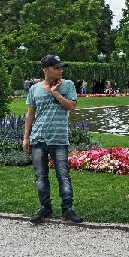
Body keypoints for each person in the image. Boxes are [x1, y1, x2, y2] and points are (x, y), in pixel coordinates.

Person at [22, 55, 81, 224]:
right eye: (56, 68)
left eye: (61, 67)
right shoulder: (35, 89)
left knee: (63, 176)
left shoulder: (68, 85)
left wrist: (56, 93)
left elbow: (72, 107)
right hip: (38, 139)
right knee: (41, 176)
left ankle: (67, 209)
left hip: (59, 139)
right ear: (46, 70)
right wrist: (26, 137)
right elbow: (30, 114)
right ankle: (45, 207)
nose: (60, 70)